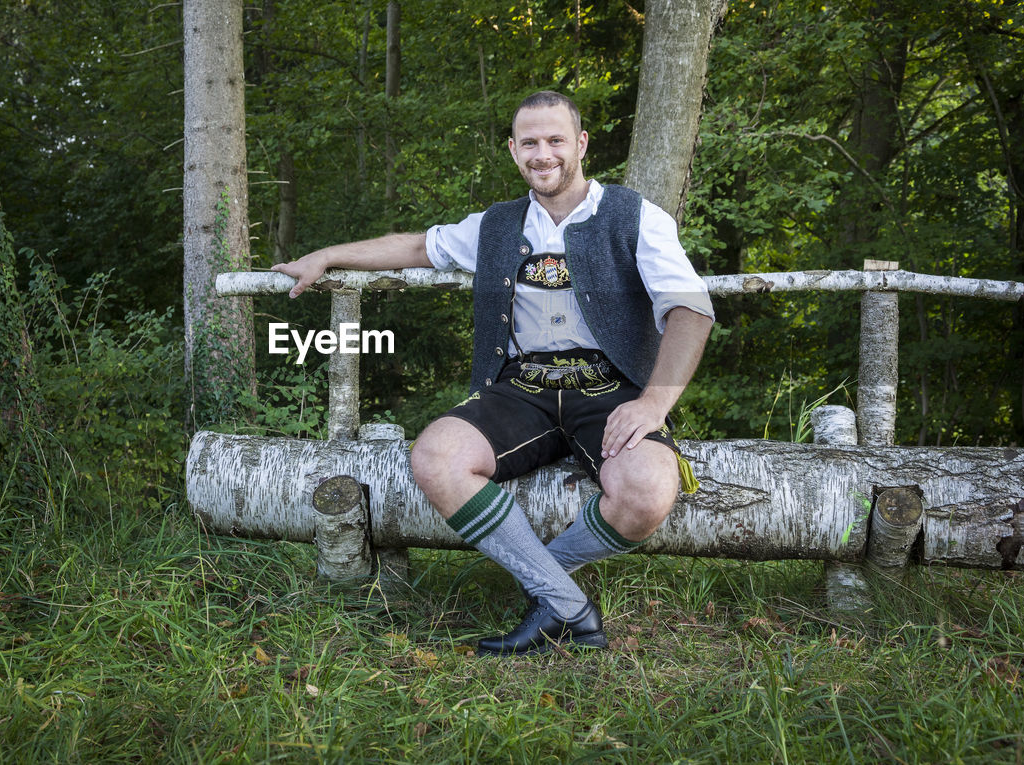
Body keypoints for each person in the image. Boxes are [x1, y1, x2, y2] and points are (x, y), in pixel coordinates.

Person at [272, 90, 714, 655]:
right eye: (529, 142)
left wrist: (653, 405)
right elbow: (415, 245)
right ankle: (569, 607)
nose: (543, 153)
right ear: (512, 150)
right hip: (520, 390)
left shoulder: (634, 216)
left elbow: (691, 310)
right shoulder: (497, 226)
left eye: (555, 140)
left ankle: (545, 588)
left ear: (580, 144)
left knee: (649, 492)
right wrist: (327, 255)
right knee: (436, 456)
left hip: (610, 389)